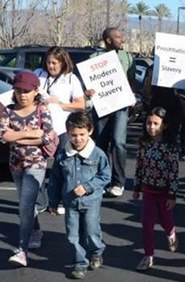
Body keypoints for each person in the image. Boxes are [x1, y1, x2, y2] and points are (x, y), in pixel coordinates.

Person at [0, 72, 56, 267]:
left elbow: (47, 136)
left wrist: (16, 136)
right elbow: (3, 136)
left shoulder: (42, 109)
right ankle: (36, 229)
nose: (22, 95)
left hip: (36, 165)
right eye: (18, 91)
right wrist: (31, 134)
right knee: (27, 204)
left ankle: (21, 251)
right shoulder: (8, 110)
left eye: (26, 91)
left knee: (25, 205)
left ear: (35, 91)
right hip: (15, 164)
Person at [47, 112, 111, 279]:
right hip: (70, 203)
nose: (78, 139)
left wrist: (88, 187)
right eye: (73, 135)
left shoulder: (97, 154)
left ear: (89, 131)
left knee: (91, 231)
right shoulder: (62, 155)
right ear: (68, 134)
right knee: (72, 235)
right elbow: (55, 179)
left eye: (82, 134)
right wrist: (53, 202)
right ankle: (79, 263)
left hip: (91, 201)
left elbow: (105, 176)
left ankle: (96, 252)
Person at [35, 46, 86, 215]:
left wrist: (59, 104)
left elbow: (80, 105)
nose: (51, 66)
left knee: (63, 165)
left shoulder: (71, 79)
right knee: (37, 165)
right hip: (40, 127)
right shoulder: (39, 75)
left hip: (62, 127)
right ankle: (41, 201)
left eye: (55, 63)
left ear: (63, 62)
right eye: (49, 62)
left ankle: (62, 200)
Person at [88, 27, 136, 197]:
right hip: (102, 107)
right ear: (108, 40)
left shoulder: (128, 58)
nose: (122, 40)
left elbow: (131, 82)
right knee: (101, 143)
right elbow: (89, 85)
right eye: (118, 37)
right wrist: (89, 92)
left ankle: (118, 182)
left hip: (121, 107)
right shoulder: (94, 59)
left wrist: (131, 96)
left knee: (118, 142)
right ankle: (103, 179)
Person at [132, 107, 180, 271]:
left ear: (164, 126)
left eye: (156, 124)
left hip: (164, 192)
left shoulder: (170, 147)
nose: (151, 127)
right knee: (147, 224)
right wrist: (137, 187)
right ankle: (148, 255)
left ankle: (171, 232)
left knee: (166, 220)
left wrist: (172, 195)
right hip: (148, 191)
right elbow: (139, 166)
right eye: (149, 123)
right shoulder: (143, 144)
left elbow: (174, 172)